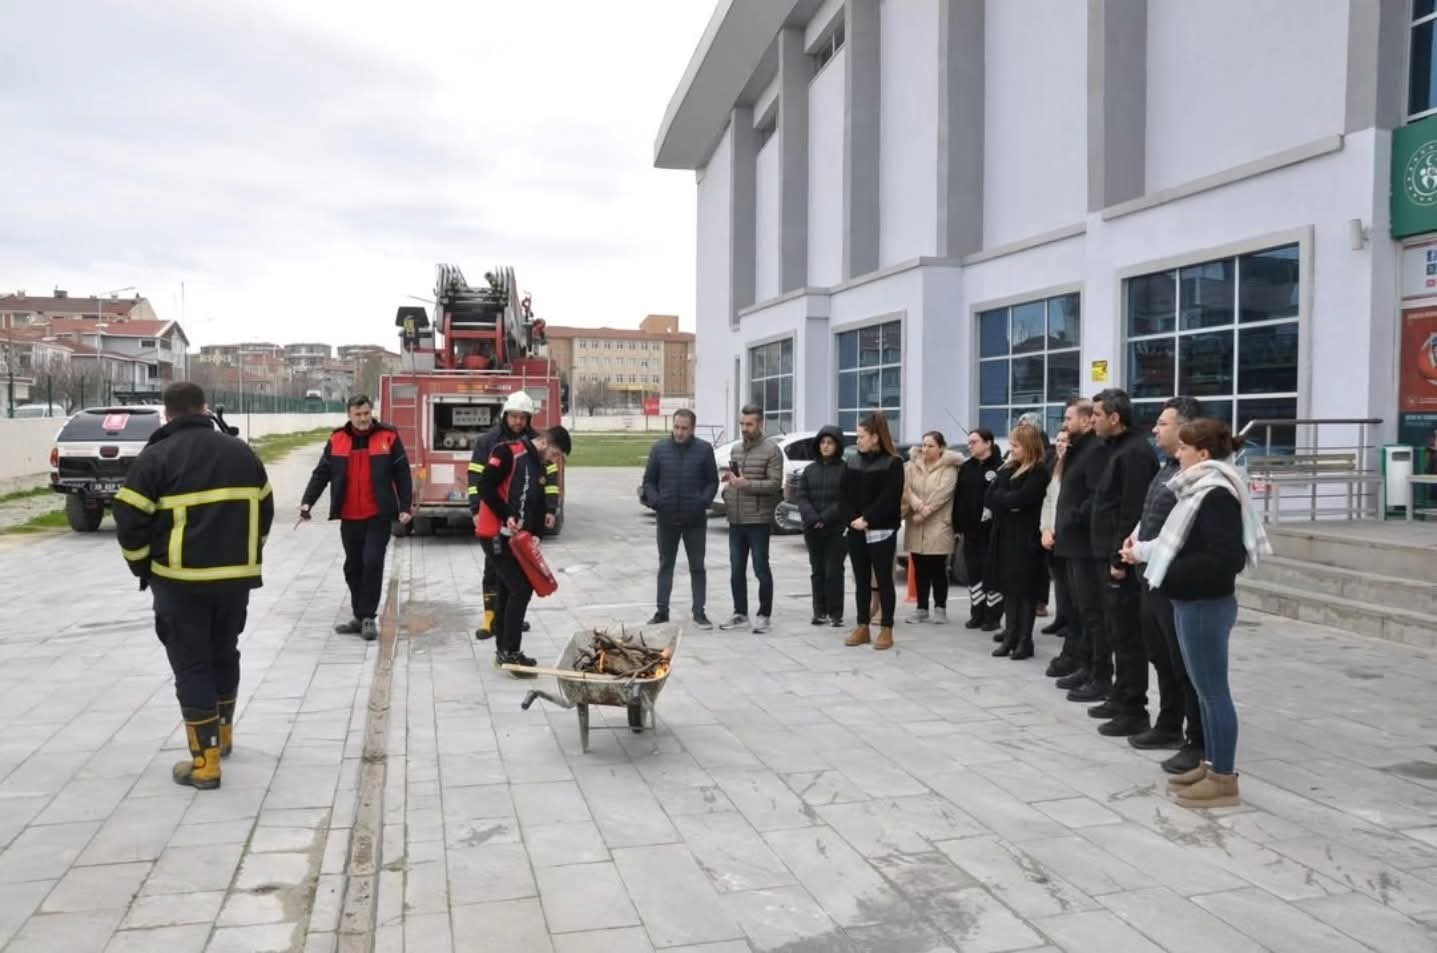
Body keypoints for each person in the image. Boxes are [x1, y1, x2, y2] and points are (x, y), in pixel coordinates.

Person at [114, 382, 275, 790]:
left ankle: (205, 765)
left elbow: (129, 520)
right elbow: (266, 508)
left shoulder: (156, 458)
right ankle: (222, 736)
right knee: (225, 653)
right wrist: (246, 550)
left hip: (180, 584)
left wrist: (143, 569)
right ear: (204, 408)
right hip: (235, 580)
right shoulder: (242, 452)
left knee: (193, 664)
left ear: (167, 415)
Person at [1123, 418, 1269, 808]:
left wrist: (1166, 572)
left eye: (1184, 447)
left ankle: (1223, 778)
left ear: (1203, 453)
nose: (1177, 453)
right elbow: (1181, 543)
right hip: (1190, 600)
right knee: (1204, 694)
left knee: (1213, 694)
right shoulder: (1197, 489)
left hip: (1205, 603)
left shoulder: (1216, 493)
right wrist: (1144, 553)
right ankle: (1211, 764)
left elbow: (1225, 558)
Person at [1123, 397, 1207, 772]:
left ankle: (1197, 739)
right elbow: (1152, 513)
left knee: (1184, 664)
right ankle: (1169, 723)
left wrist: (1141, 549)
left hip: (1175, 580)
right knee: (1161, 656)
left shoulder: (1201, 476)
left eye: (1162, 423)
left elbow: (1182, 531)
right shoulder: (1168, 467)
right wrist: (1133, 539)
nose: (1155, 430)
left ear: (1185, 427)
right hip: (1150, 575)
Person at [301, 395, 413, 641]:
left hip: (378, 515)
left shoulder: (388, 437)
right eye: (358, 414)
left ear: (371, 412)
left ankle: (368, 617)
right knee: (353, 565)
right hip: (349, 516)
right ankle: (359, 614)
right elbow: (322, 473)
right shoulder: (337, 439)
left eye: (366, 413)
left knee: (372, 561)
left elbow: (403, 473)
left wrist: (405, 505)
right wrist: (307, 501)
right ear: (349, 415)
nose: (363, 419)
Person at [1087, 388, 1160, 738]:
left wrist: (1119, 557)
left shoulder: (1134, 453)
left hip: (1122, 561)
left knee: (1128, 635)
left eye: (1098, 415)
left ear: (1115, 417)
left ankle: (1134, 707)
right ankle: (1120, 694)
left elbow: (1131, 511)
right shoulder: (1114, 450)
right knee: (1116, 630)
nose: (1093, 421)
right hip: (1104, 554)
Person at [476, 424, 573, 674]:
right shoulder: (509, 452)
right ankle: (511, 652)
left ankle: (505, 651)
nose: (555, 461)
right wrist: (506, 514)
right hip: (494, 533)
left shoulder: (537, 464)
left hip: (517, 538)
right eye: (555, 455)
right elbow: (485, 486)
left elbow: (537, 501)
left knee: (510, 588)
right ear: (546, 442)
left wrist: (538, 533)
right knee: (521, 588)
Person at [467, 391, 555, 640]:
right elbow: (477, 477)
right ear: (505, 415)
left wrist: (550, 508)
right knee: (492, 571)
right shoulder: (490, 441)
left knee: (516, 573)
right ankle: (490, 618)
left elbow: (547, 478)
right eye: (514, 416)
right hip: (495, 520)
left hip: (521, 523)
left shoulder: (536, 442)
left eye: (522, 417)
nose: (517, 421)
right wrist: (476, 508)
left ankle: (510, 618)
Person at [1052, 398, 1110, 701]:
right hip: (1071, 543)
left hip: (1086, 544)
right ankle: (1084, 665)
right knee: (1080, 609)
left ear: (1087, 421)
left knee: (1093, 613)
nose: (1065, 423)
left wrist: (1073, 519)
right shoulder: (1077, 450)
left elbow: (1093, 496)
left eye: (1069, 418)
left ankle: (1099, 674)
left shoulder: (1095, 452)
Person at [642, 409, 718, 629]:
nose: (680, 432)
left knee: (697, 566)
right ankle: (661, 611)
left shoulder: (704, 450)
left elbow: (712, 482)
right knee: (666, 565)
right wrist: (657, 502)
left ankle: (699, 612)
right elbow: (648, 482)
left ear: (693, 428)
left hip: (694, 520)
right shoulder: (659, 449)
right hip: (666, 519)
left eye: (684, 428)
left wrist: (702, 502)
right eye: (676, 427)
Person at [841, 411, 905, 650]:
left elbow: (889, 498)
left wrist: (867, 518)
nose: (857, 441)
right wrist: (852, 519)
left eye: (861, 436)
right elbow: (843, 494)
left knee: (884, 581)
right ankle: (862, 626)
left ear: (876, 437)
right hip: (855, 530)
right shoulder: (853, 461)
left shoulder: (893, 463)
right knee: (861, 582)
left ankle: (886, 628)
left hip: (881, 530)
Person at [985, 424, 1050, 660]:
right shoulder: (1008, 468)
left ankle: (1025, 639)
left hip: (1026, 539)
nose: (1011, 450)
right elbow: (991, 497)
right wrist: (1007, 502)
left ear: (1029, 447)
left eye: (1016, 445)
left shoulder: (1038, 472)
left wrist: (1008, 501)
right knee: (1009, 590)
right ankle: (1010, 634)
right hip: (1005, 536)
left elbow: (1023, 499)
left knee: (1025, 592)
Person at [718, 405, 783, 633]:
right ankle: (740, 614)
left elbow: (775, 485)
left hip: (758, 520)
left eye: (749, 424)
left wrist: (747, 484)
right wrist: (729, 485)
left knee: (760, 568)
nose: (744, 429)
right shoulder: (736, 449)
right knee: (736, 569)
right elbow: (737, 480)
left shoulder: (772, 450)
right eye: (742, 424)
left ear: (760, 424)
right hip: (736, 519)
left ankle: (764, 615)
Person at [902, 431, 962, 624]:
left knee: (937, 568)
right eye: (924, 445)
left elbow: (943, 493)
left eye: (931, 446)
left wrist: (926, 511)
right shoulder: (911, 466)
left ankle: (940, 608)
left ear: (941, 448)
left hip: (938, 524)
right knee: (919, 568)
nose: (926, 449)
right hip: (916, 523)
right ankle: (921, 608)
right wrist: (919, 507)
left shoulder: (949, 467)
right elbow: (907, 489)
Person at [797, 425, 849, 627]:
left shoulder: (845, 469)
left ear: (838, 445)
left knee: (833, 571)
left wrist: (825, 518)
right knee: (817, 570)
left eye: (830, 442)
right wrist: (812, 517)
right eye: (823, 442)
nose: (826, 446)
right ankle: (819, 612)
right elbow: (802, 497)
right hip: (813, 529)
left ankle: (836, 613)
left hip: (836, 529)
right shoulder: (809, 470)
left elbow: (844, 498)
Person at [953, 428, 1003, 631]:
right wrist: (957, 525)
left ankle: (993, 616)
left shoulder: (1000, 467)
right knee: (973, 573)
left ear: (988, 443)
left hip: (992, 531)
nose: (970, 445)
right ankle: (977, 612)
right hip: (970, 530)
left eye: (974, 442)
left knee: (991, 572)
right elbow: (959, 497)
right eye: (969, 442)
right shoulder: (967, 467)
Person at [1040, 429, 1075, 674]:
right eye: (1059, 440)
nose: (1061, 444)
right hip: (1052, 534)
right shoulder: (1055, 465)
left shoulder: (1074, 467)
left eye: (1065, 441)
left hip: (1068, 536)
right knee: (1060, 581)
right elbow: (1049, 500)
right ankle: (1061, 617)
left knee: (1071, 584)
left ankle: (1069, 619)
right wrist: (1046, 529)